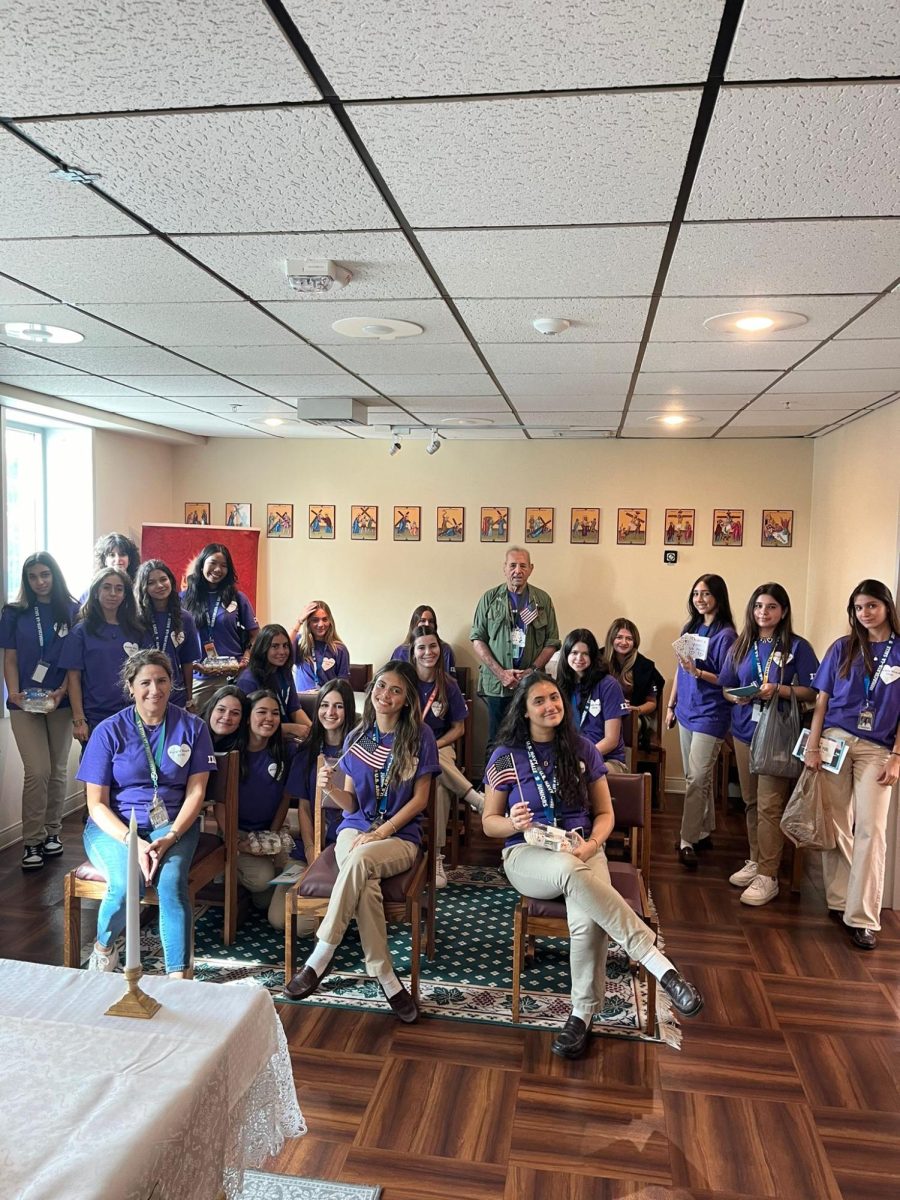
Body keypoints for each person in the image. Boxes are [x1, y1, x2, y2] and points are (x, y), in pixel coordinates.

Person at [482, 672, 703, 1059]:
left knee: (586, 921)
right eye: (539, 700)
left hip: (584, 849)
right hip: (528, 855)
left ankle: (581, 1015)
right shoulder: (506, 756)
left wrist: (593, 845)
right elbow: (489, 823)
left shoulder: (583, 748)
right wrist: (512, 823)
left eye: (554, 697)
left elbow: (604, 813)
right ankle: (658, 962)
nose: (550, 705)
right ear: (524, 710)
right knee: (567, 872)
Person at [284, 661, 440, 1022]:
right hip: (354, 830)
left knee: (359, 863)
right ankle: (385, 975)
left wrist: (381, 832)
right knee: (363, 878)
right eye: (381, 686)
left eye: (395, 690)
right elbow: (351, 803)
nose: (385, 695)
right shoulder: (359, 738)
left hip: (399, 836)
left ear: (406, 701)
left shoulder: (420, 737)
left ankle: (321, 954)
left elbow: (419, 801)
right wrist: (331, 788)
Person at [77, 650, 216, 975]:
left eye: (162, 680)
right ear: (131, 687)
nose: (154, 689)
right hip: (114, 826)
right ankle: (103, 946)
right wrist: (133, 843)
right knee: (128, 884)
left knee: (171, 883)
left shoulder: (193, 728)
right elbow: (95, 804)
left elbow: (196, 792)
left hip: (172, 825)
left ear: (172, 683)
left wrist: (169, 837)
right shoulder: (108, 731)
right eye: (145, 682)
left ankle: (178, 977)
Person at [805, 580, 900, 950]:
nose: (865, 614)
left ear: (887, 607)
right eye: (859, 608)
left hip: (878, 748)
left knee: (872, 830)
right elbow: (822, 702)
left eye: (872, 606)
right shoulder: (843, 648)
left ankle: (863, 918)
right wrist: (813, 746)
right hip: (835, 740)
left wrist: (896, 756)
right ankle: (840, 898)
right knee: (836, 822)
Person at [719, 584, 818, 906]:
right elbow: (727, 688)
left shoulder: (797, 647)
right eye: (759, 606)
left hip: (777, 734)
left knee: (770, 804)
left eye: (771, 606)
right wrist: (738, 695)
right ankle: (756, 860)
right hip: (745, 730)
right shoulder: (742, 644)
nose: (764, 612)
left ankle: (769, 875)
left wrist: (779, 689)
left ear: (784, 611)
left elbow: (812, 692)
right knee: (750, 801)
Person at [1, 552, 79, 870]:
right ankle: (31, 841)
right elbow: (9, 658)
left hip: (59, 701)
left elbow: (75, 659)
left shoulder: (73, 610)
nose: (40, 582)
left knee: (58, 770)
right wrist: (15, 694)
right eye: (33, 577)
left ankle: (52, 833)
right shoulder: (13, 612)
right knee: (37, 771)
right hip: (24, 705)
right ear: (26, 580)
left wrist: (62, 691)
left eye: (45, 575)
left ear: (55, 575)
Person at [666, 575, 737, 870]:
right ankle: (704, 829)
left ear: (718, 597)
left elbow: (726, 678)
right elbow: (680, 670)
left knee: (696, 777)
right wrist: (670, 705)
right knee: (696, 776)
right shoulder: (690, 627)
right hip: (686, 709)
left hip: (712, 713)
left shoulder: (727, 635)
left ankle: (686, 839)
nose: (700, 599)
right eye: (696, 593)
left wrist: (699, 673)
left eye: (706, 594)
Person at [409, 625, 484, 886]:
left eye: (433, 646)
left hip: (441, 747)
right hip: (405, 749)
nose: (428, 652)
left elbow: (459, 729)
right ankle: (473, 796)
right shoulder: (405, 681)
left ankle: (437, 858)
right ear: (414, 652)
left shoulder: (448, 684)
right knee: (436, 771)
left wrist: (433, 744)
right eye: (422, 647)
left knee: (438, 780)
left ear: (440, 650)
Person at [471, 546, 560, 745]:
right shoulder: (489, 599)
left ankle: (527, 776)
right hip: (497, 685)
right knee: (497, 739)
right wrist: (501, 673)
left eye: (523, 566)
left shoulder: (542, 600)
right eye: (513, 565)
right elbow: (477, 640)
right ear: (504, 568)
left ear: (531, 569)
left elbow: (552, 641)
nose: (517, 570)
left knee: (531, 739)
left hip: (531, 684)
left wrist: (532, 671)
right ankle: (496, 776)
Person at [225, 689, 298, 930]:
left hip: (271, 830)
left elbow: (285, 799)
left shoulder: (284, 750)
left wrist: (270, 837)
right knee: (264, 881)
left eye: (275, 713)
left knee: (286, 874)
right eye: (262, 712)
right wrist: (236, 841)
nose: (269, 718)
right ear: (247, 717)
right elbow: (219, 804)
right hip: (239, 832)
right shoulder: (233, 752)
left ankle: (256, 891)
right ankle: (228, 871)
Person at [61, 567, 146, 744]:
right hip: (96, 717)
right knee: (96, 770)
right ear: (96, 591)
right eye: (106, 587)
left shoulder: (136, 630)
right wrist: (79, 720)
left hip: (133, 714)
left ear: (125, 595)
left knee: (131, 770)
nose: (112, 593)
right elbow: (73, 678)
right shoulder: (81, 631)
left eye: (119, 588)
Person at [287, 678, 358, 863]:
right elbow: (303, 807)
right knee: (284, 891)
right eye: (324, 705)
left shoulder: (359, 749)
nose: (330, 712)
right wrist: (311, 849)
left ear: (349, 709)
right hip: (315, 838)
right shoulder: (307, 750)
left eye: (338, 706)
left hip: (350, 839)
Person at [182, 543, 259, 712]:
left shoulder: (238, 598)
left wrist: (245, 660)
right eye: (213, 563)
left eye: (224, 566)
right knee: (197, 726)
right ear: (202, 564)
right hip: (198, 677)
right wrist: (191, 665)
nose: (218, 569)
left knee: (231, 724)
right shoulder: (184, 598)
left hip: (232, 677)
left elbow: (255, 635)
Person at [557, 629, 628, 773]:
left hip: (608, 760)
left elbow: (611, 740)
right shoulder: (560, 687)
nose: (579, 658)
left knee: (583, 773)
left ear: (593, 656)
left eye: (585, 654)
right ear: (566, 655)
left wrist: (583, 758)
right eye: (574, 653)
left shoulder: (608, 685)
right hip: (572, 758)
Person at [135, 559, 201, 709]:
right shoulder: (135, 618)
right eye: (151, 582)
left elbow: (187, 662)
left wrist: (189, 698)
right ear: (143, 588)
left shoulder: (185, 618)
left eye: (163, 579)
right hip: (144, 693)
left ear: (171, 581)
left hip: (175, 693)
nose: (159, 585)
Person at [235, 623, 312, 740]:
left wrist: (313, 730)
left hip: (286, 737)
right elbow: (250, 724)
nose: (282, 651)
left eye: (285, 646)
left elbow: (294, 709)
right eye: (275, 646)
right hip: (262, 739)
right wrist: (292, 728)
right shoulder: (248, 679)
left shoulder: (285, 672)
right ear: (263, 648)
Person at [602, 619, 666, 748]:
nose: (624, 642)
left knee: (627, 721)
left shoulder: (645, 666)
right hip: (602, 712)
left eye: (629, 639)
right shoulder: (598, 660)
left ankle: (623, 761)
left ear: (635, 642)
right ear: (611, 639)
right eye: (619, 637)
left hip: (633, 716)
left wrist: (636, 709)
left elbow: (652, 703)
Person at [291, 600, 350, 693]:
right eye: (315, 620)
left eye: (325, 619)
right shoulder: (300, 643)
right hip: (302, 701)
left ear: (330, 621)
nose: (321, 624)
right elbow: (282, 651)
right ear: (308, 623)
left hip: (327, 702)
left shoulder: (339, 649)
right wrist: (299, 622)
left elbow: (343, 684)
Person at [391, 604, 457, 675]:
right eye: (422, 620)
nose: (427, 624)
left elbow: (450, 679)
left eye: (431, 621)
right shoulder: (400, 651)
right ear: (414, 624)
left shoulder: (445, 649)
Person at [202, 684, 248, 752]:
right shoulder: (191, 735)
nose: (227, 717)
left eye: (235, 713)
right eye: (221, 710)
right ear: (210, 710)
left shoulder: (242, 747)